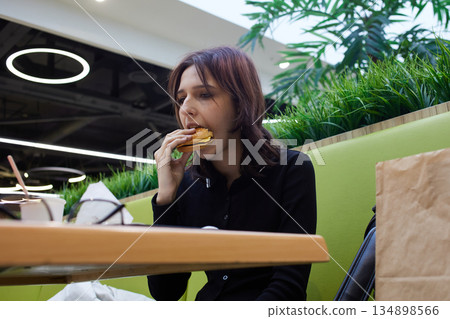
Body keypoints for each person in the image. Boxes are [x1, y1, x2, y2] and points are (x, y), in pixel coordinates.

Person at [147, 46, 317, 301]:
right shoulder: (188, 185)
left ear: (240, 104)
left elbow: (289, 287)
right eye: (181, 98)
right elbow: (166, 293)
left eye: (204, 94)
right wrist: (166, 199)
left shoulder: (292, 170)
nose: (186, 109)